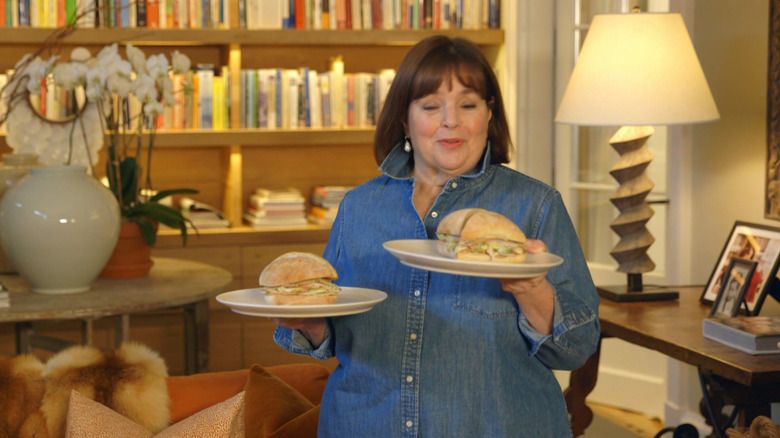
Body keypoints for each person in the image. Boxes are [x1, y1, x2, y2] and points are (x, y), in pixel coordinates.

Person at [271, 36, 600, 437]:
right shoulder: (359, 207)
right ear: (405, 120)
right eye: (430, 106)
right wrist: (310, 323)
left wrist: (532, 289)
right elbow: (337, 335)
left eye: (468, 104)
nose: (451, 121)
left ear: (489, 115)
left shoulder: (535, 205)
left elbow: (578, 348)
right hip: (366, 425)